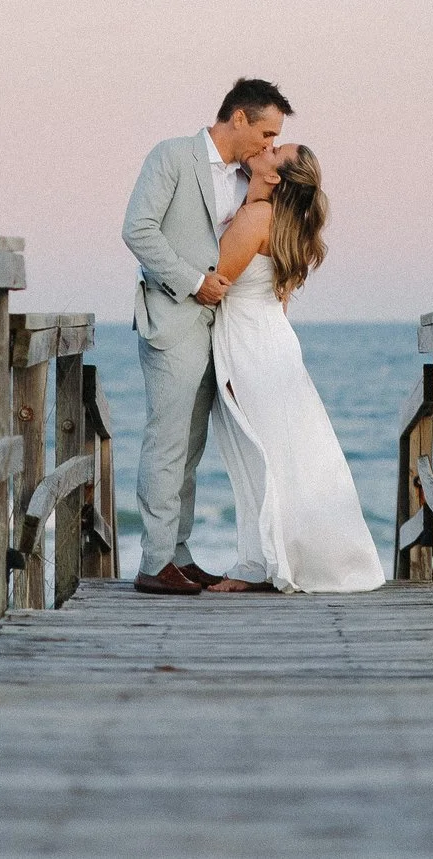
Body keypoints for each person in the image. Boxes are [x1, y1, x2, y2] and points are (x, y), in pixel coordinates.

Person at [120, 78, 289, 595]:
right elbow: (138, 229)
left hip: (221, 333)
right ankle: (153, 563)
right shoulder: (172, 156)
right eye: (266, 132)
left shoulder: (247, 179)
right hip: (173, 320)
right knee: (167, 442)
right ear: (238, 117)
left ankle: (178, 553)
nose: (270, 143)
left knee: (191, 448)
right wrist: (194, 281)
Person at [202, 142, 385, 593]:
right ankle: (278, 559)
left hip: (248, 343)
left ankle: (262, 565)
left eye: (274, 150)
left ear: (274, 177)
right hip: (275, 343)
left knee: (258, 456)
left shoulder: (256, 217)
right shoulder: (288, 224)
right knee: (288, 453)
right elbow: (278, 300)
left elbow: (212, 280)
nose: (264, 147)